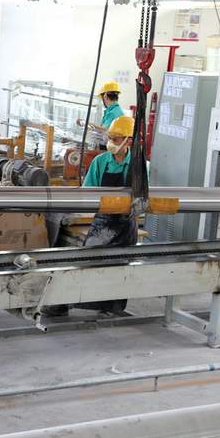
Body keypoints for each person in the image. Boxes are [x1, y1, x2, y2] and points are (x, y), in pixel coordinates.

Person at [81, 115, 138, 314]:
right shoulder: (100, 162)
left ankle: (114, 308)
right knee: (89, 261)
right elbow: (87, 193)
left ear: (128, 141)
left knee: (121, 267)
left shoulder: (139, 165)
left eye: (115, 139)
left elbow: (142, 199)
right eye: (110, 138)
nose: (111, 142)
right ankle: (86, 303)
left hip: (126, 225)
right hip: (103, 223)